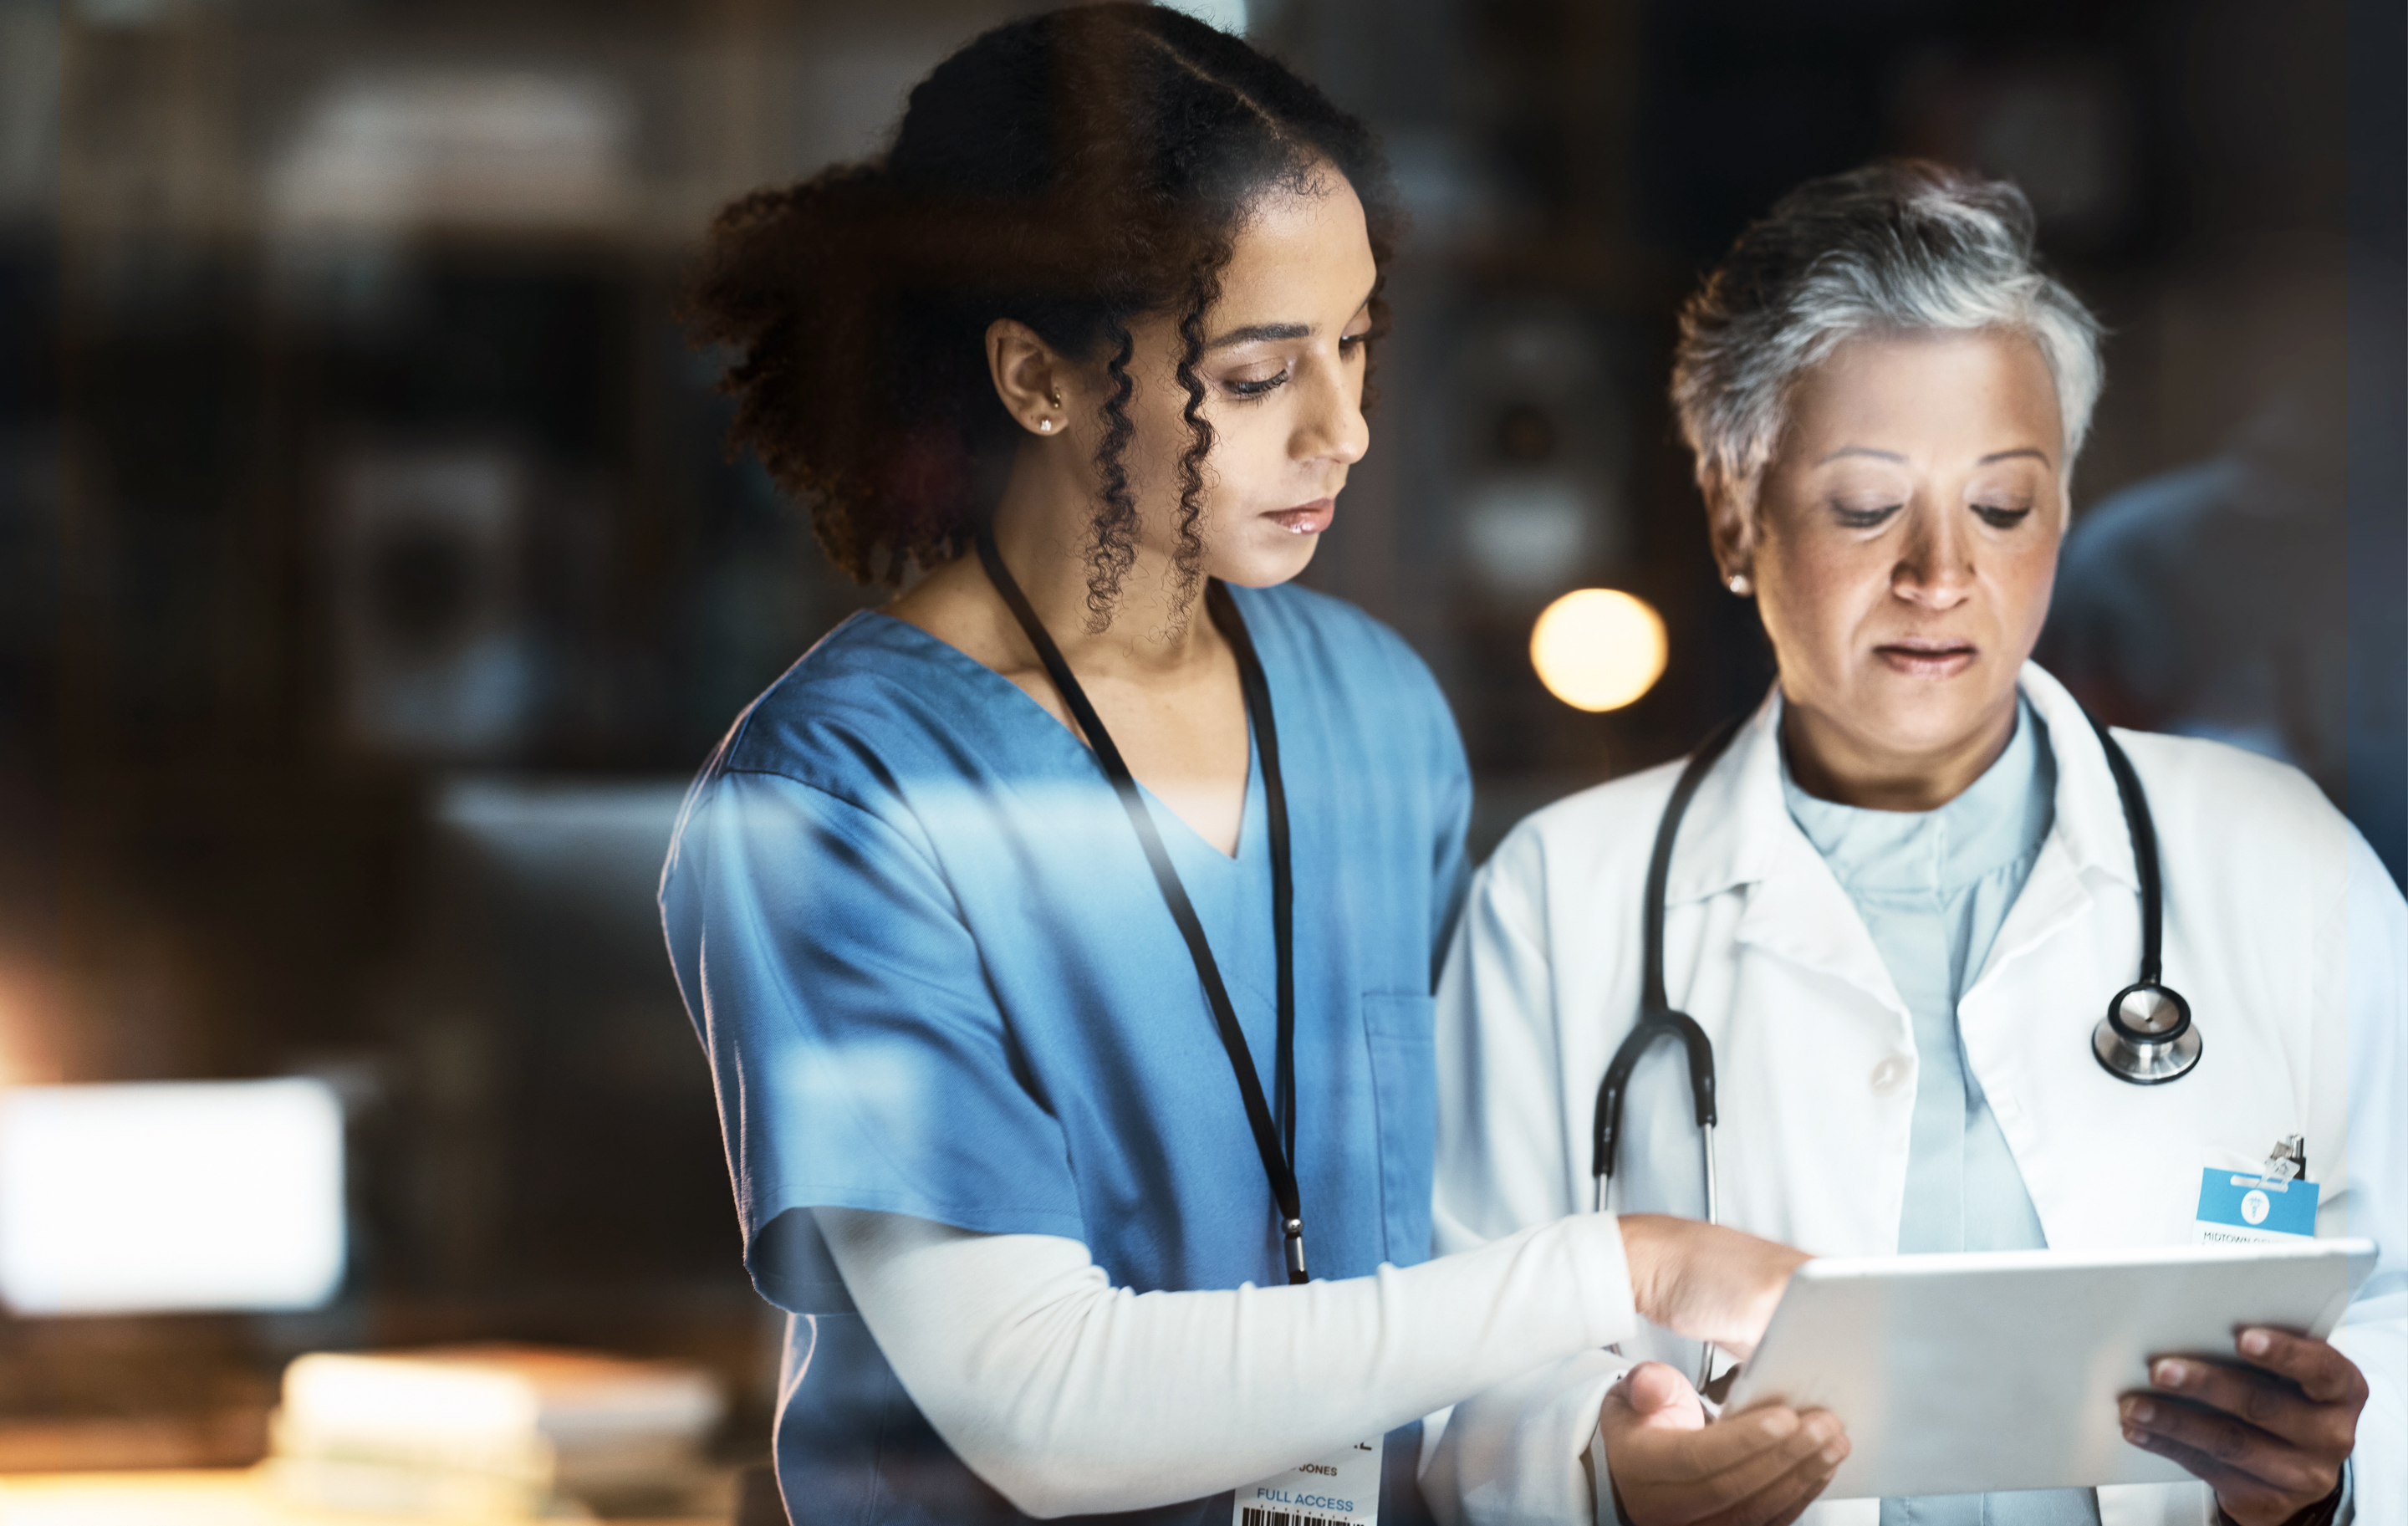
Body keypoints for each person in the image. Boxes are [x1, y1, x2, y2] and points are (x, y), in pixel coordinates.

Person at [662, 10, 1806, 1525]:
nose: (1346, 430)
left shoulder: (1376, 712)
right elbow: (1038, 1407)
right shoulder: (841, 795)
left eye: (1355, 348)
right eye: (1261, 377)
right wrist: (1615, 1267)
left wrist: (1608, 1441)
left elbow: (1451, 1267)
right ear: (1035, 377)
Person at [1424, 161, 2405, 1526]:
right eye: (1867, 505)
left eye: (2002, 506)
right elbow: (1454, 1369)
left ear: (2062, 510)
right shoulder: (1560, 896)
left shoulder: (2282, 862)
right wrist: (1603, 1472)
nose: (1941, 573)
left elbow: (2401, 1303)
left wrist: (2332, 1475)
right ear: (1731, 512)